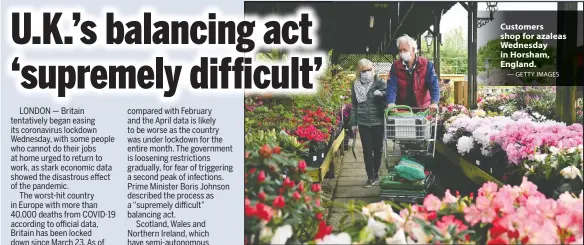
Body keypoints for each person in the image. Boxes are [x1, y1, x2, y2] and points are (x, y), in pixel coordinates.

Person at [349, 59, 387, 188]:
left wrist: (381, 93)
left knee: (378, 149)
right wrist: (353, 123)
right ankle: (370, 176)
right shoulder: (355, 85)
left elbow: (390, 96)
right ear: (359, 72)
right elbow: (354, 105)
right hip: (363, 122)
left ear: (373, 69)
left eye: (369, 70)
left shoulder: (379, 82)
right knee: (366, 150)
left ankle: (376, 173)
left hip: (378, 121)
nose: (366, 73)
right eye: (363, 71)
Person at [386, 34, 440, 111]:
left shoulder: (427, 65)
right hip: (402, 109)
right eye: (400, 50)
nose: (402, 53)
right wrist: (391, 102)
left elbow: (433, 85)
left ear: (413, 49)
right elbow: (391, 86)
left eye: (405, 50)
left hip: (422, 108)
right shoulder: (395, 66)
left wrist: (434, 102)